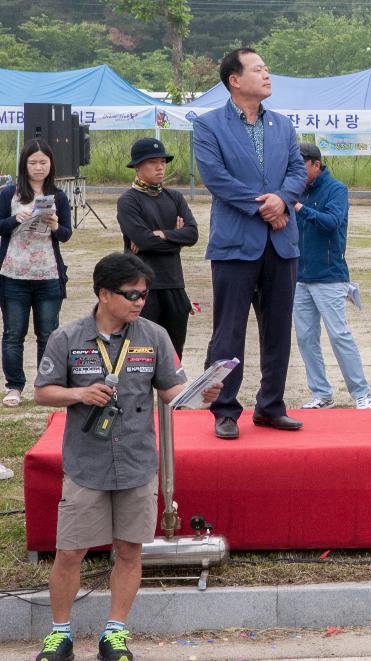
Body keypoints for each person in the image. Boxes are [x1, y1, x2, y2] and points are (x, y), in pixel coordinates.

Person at [32, 252, 223, 661]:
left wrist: (203, 397)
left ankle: (114, 634)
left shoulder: (153, 336)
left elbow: (172, 393)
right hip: (86, 466)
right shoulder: (67, 338)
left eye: (143, 294)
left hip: (137, 463)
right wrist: (79, 393)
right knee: (69, 552)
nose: (139, 301)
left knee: (130, 551)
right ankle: (59, 633)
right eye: (130, 294)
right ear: (103, 294)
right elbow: (42, 390)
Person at [194, 48, 308, 440]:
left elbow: (297, 169)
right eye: (258, 69)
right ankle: (225, 409)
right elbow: (216, 177)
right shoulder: (209, 126)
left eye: (267, 68)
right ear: (234, 80)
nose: (267, 74)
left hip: (281, 242)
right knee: (229, 332)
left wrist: (282, 199)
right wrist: (264, 207)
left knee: (278, 329)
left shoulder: (282, 125)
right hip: (235, 243)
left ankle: (271, 406)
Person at [293, 142, 371, 410]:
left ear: (316, 164)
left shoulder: (336, 189)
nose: (296, 169)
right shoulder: (294, 189)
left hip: (329, 275)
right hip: (299, 276)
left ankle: (361, 392)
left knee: (339, 335)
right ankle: (321, 393)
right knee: (305, 337)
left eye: (301, 164)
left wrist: (301, 209)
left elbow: (332, 222)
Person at [0, 139, 72, 410]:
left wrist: (55, 225)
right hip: (13, 273)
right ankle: (14, 386)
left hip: (48, 274)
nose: (38, 167)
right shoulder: (9, 194)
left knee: (48, 333)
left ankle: (46, 384)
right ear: (24, 165)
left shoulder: (59, 196)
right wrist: (14, 220)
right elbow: (0, 226)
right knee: (13, 333)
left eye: (43, 162)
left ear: (50, 164)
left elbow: (66, 235)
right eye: (33, 163)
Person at [116, 138, 198, 359]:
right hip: (142, 287)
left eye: (162, 161)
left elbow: (193, 234)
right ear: (137, 166)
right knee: (141, 355)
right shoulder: (128, 201)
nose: (160, 167)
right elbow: (144, 241)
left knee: (173, 355)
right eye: (152, 162)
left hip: (174, 284)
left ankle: (171, 396)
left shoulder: (175, 197)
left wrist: (163, 235)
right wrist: (175, 239)